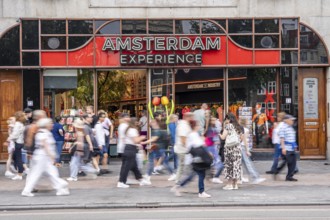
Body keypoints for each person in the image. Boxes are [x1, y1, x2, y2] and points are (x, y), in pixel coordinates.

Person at [21, 118, 69, 197]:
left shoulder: (43, 132)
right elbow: (45, 145)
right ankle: (26, 190)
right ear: (46, 125)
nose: (52, 125)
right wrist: (51, 155)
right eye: (50, 123)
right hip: (43, 156)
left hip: (43, 156)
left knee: (52, 172)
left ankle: (60, 187)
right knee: (38, 174)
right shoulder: (43, 133)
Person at [171, 120, 212, 198]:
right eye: (198, 125)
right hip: (197, 159)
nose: (199, 127)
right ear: (195, 126)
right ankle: (201, 192)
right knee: (200, 174)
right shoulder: (193, 134)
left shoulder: (192, 134)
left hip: (193, 158)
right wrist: (203, 141)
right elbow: (199, 145)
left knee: (193, 175)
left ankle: (178, 186)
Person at [117, 118, 149, 188]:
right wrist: (142, 137)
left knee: (134, 167)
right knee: (126, 167)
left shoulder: (128, 130)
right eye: (137, 122)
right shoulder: (133, 130)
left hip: (127, 148)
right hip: (131, 149)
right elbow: (136, 140)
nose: (138, 124)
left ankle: (140, 179)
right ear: (134, 123)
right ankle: (121, 182)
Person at [141, 119, 176, 184]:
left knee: (152, 162)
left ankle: (148, 176)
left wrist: (144, 142)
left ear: (156, 123)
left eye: (153, 122)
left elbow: (154, 139)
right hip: (158, 148)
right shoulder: (157, 130)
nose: (151, 123)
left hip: (159, 149)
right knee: (163, 162)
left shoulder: (158, 131)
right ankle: (172, 174)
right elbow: (154, 139)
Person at [220, 113, 242, 190]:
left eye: (226, 119)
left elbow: (223, 137)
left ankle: (229, 184)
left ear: (228, 119)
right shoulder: (238, 126)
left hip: (229, 149)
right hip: (237, 149)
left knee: (229, 166)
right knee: (236, 166)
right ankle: (235, 185)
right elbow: (241, 138)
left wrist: (219, 134)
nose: (225, 120)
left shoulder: (228, 126)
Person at [239, 118, 266, 184]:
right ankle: (255, 178)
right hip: (243, 147)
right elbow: (245, 141)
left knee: (241, 164)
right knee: (248, 163)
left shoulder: (239, 129)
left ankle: (241, 178)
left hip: (239, 147)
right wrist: (247, 150)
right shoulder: (246, 130)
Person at [275, 114, 298, 181]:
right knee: (287, 162)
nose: (292, 121)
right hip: (287, 148)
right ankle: (277, 171)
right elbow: (282, 138)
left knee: (292, 162)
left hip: (291, 148)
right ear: (287, 120)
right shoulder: (283, 128)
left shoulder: (291, 127)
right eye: (291, 120)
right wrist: (283, 148)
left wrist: (295, 146)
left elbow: (292, 138)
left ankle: (289, 176)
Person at [174, 112, 194, 183]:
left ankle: (179, 179)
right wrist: (189, 148)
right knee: (183, 165)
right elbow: (183, 139)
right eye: (191, 117)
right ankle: (179, 180)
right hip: (182, 149)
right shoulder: (183, 125)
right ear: (187, 117)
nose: (192, 119)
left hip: (183, 149)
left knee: (182, 165)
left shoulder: (185, 125)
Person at [6, 111, 26, 180]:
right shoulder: (21, 123)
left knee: (18, 158)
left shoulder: (17, 124)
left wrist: (9, 139)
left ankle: (19, 174)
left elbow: (15, 134)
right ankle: (20, 170)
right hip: (20, 142)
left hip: (18, 142)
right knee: (16, 157)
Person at [205, 116, 224, 184]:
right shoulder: (210, 129)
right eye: (212, 120)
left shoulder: (213, 128)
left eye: (214, 120)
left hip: (214, 148)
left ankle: (212, 177)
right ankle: (215, 177)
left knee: (213, 164)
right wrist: (215, 142)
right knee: (219, 164)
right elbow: (209, 139)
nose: (214, 121)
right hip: (211, 148)